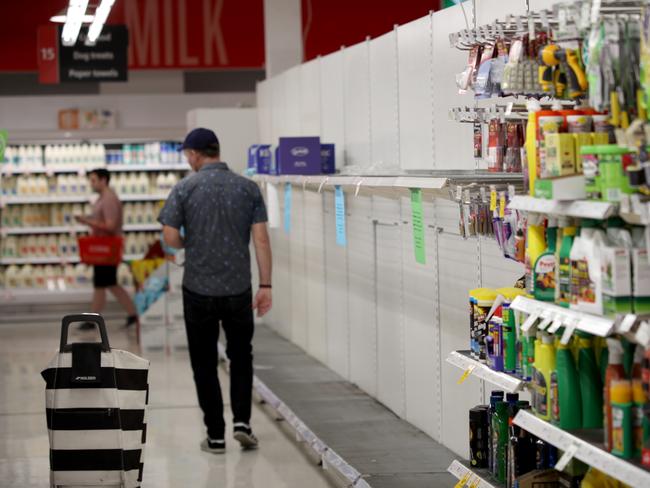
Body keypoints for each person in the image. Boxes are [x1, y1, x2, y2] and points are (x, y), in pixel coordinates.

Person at [158, 128, 272, 454]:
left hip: (198, 289)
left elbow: (169, 235)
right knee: (241, 356)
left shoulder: (184, 188)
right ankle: (242, 423)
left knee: (204, 362)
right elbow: (261, 239)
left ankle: (216, 436)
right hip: (238, 288)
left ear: (194, 154)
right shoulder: (248, 188)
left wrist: (186, 244)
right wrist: (266, 285)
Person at [76, 168, 138, 330]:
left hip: (106, 248)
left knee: (106, 283)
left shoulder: (109, 198)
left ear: (104, 180)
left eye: (94, 180)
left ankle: (96, 319)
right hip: (102, 248)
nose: (91, 183)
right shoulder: (103, 197)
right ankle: (130, 314)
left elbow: (110, 225)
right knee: (105, 283)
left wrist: (87, 221)